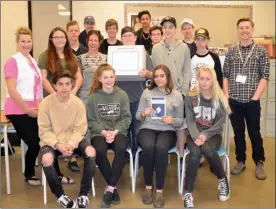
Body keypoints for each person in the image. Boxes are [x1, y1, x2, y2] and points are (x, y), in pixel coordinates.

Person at [38, 70, 96, 208]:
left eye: (67, 84)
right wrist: (58, 145)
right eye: (60, 84)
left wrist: (70, 144)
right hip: (52, 142)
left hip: (73, 140)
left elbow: (81, 128)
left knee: (91, 152)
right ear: (55, 85)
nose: (64, 87)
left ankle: (83, 194)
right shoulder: (45, 103)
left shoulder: (78, 103)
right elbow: (44, 130)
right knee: (46, 159)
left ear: (72, 85)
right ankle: (60, 196)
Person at [223, 18, 270, 180]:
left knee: (255, 132)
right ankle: (240, 160)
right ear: (238, 30)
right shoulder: (231, 52)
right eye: (241, 28)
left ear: (252, 30)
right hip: (234, 101)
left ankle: (259, 162)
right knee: (238, 133)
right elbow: (225, 76)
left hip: (252, 101)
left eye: (247, 27)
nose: (244, 30)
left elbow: (265, 77)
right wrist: (227, 96)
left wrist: (255, 98)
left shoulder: (261, 51)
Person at [136, 64, 184, 208]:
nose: (158, 79)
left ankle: (159, 190)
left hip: (167, 130)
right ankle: (148, 187)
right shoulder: (147, 93)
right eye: (155, 76)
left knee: (161, 147)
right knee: (149, 146)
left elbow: (181, 121)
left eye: (161, 76)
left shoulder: (177, 95)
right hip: (148, 128)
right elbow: (138, 116)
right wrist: (144, 113)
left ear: (167, 77)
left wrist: (172, 120)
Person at [183, 66, 231, 208]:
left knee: (208, 150)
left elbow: (219, 123)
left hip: (213, 135)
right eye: (201, 78)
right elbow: (190, 121)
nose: (204, 82)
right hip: (193, 134)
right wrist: (197, 136)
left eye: (207, 79)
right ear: (197, 79)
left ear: (213, 80)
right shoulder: (190, 97)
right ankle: (188, 193)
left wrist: (204, 135)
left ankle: (222, 179)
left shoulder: (220, 98)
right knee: (195, 154)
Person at [86, 64, 131, 208]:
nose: (109, 80)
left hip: (118, 131)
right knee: (99, 149)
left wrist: (115, 131)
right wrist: (104, 132)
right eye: (105, 77)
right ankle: (113, 188)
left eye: (111, 77)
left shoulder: (122, 95)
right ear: (99, 79)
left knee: (121, 147)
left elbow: (126, 118)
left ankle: (110, 187)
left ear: (115, 78)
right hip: (99, 132)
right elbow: (91, 120)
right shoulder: (93, 97)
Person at [4, 26, 43, 186]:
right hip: (17, 108)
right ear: (17, 42)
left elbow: (37, 87)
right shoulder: (13, 61)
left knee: (41, 139)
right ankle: (29, 174)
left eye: (29, 41)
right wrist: (27, 109)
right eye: (23, 41)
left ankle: (35, 170)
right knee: (34, 141)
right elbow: (12, 90)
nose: (26, 44)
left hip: (34, 108)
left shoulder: (32, 61)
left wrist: (39, 107)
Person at [151, 16, 191, 164]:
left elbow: (187, 70)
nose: (168, 30)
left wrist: (184, 90)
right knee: (161, 121)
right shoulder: (156, 48)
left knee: (180, 124)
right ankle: (162, 156)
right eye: (165, 27)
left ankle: (180, 156)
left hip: (178, 92)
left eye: (170, 27)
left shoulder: (184, 47)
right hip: (161, 92)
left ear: (175, 29)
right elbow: (155, 70)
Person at [117, 26, 154, 158]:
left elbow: (153, 74)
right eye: (125, 36)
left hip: (138, 99)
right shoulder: (115, 53)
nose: (128, 38)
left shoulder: (143, 53)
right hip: (120, 100)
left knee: (138, 130)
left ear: (135, 38)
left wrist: (147, 73)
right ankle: (127, 156)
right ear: (121, 39)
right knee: (123, 131)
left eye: (130, 35)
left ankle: (138, 157)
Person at [38, 27, 83, 98]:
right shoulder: (44, 56)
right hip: (52, 97)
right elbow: (43, 79)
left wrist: (74, 90)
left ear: (66, 39)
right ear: (51, 40)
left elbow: (79, 77)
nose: (59, 39)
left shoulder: (73, 56)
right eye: (56, 37)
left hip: (71, 97)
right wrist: (55, 95)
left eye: (62, 37)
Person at [77, 30, 107, 106]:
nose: (93, 43)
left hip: (103, 96)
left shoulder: (106, 58)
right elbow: (78, 78)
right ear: (87, 41)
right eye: (91, 40)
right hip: (85, 96)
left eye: (95, 40)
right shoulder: (80, 58)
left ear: (99, 43)